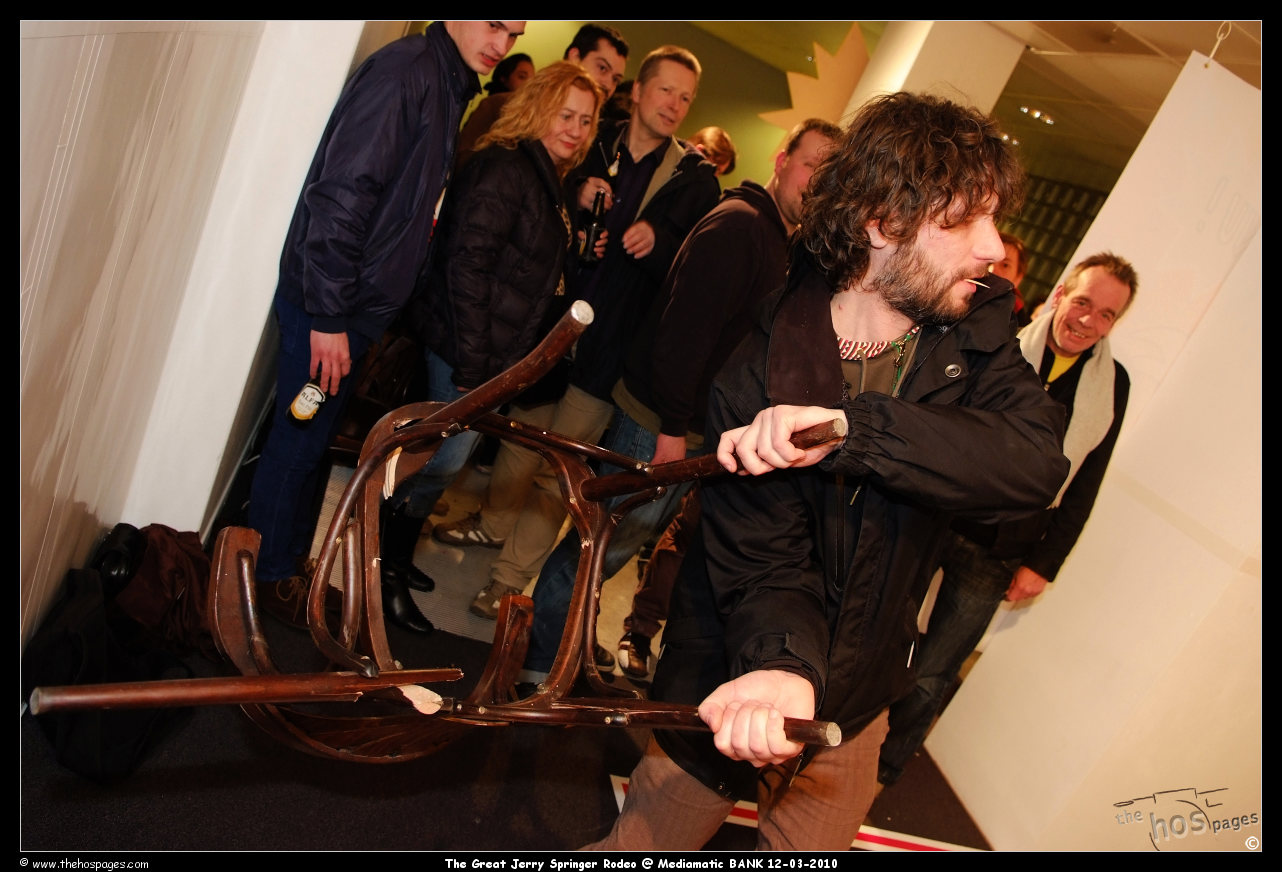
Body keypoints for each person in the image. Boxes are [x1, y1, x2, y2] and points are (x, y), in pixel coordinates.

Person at [585, 92, 1070, 851]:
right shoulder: (756, 369)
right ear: (881, 222)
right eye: (964, 221)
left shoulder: (975, 325)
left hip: (863, 700)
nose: (990, 247)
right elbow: (765, 561)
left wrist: (855, 430)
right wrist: (783, 669)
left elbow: (1033, 462)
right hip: (738, 675)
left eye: (994, 219)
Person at [515, 118, 841, 683]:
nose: (817, 182)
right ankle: (537, 661)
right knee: (600, 542)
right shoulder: (740, 226)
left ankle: (558, 649)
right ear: (783, 159)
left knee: (615, 545)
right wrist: (670, 429)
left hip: (684, 422)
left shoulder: (774, 237)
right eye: (811, 164)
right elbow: (681, 334)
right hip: (658, 421)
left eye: (829, 174)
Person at [247, 21, 526, 631]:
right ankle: (264, 583)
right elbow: (340, 197)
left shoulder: (445, 82)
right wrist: (328, 316)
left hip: (354, 310)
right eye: (495, 24)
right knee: (298, 444)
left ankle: (287, 570)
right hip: (332, 310)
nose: (502, 45)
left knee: (313, 445)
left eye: (515, 33)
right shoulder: (408, 73)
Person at [435, 47, 720, 640]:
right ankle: (491, 524)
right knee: (518, 443)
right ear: (637, 92)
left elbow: (694, 277)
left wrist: (661, 244)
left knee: (556, 470)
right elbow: (542, 209)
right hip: (544, 329)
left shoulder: (693, 181)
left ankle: (508, 578)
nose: (674, 105)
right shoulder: (590, 138)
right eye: (665, 90)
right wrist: (576, 197)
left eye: (686, 97)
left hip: (608, 348)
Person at [877, 251, 1136, 786]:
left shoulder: (1113, 385)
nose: (1088, 320)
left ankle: (884, 770)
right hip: (938, 516)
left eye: (1106, 314)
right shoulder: (1005, 341)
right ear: (1060, 294)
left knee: (933, 672)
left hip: (1001, 549)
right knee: (879, 634)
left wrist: (1045, 562)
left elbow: (1087, 479)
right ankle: (841, 746)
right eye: (1083, 302)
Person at [373, 62, 604, 633]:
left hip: (490, 353)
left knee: (439, 461)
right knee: (436, 460)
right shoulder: (506, 167)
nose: (575, 129)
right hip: (466, 349)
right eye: (565, 114)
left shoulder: (545, 176)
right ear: (538, 107)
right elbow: (466, 269)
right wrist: (475, 367)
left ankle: (394, 557)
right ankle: (379, 570)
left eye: (585, 120)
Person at [455, 24, 628, 165]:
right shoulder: (500, 107)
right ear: (575, 57)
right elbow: (463, 169)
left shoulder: (597, 138)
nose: (608, 84)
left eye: (616, 79)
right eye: (602, 68)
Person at [991, 230, 1032, 327]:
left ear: (1018, 278)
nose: (992, 270)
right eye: (989, 261)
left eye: (1005, 265)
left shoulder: (1019, 326)